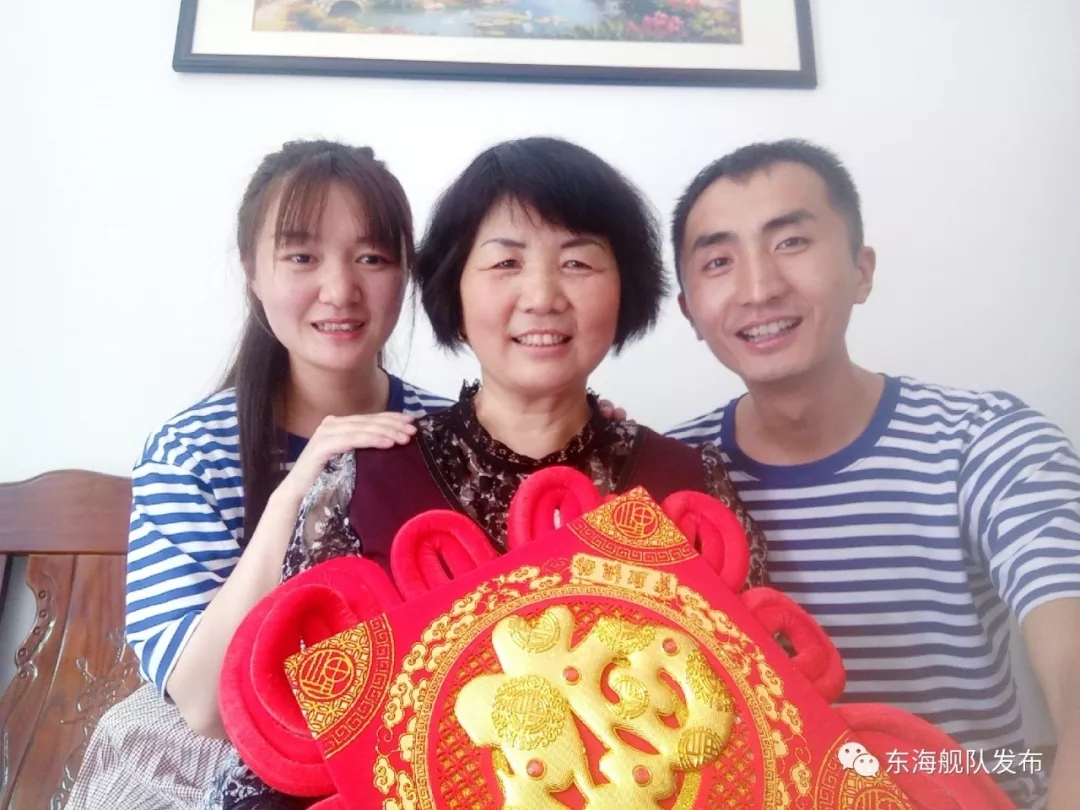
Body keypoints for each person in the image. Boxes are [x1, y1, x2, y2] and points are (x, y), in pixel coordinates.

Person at [213, 136, 770, 808]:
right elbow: (293, 748)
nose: (542, 295)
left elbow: (760, 731)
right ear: (453, 291)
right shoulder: (362, 483)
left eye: (578, 261)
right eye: (506, 262)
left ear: (626, 289)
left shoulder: (687, 483)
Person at [666, 138, 1080, 810]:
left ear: (862, 271)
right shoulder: (673, 479)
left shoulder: (984, 442)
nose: (759, 287)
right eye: (718, 261)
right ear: (690, 311)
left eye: (791, 242)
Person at [68, 140, 453, 810]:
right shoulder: (189, 453)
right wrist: (299, 492)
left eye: (372, 258)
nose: (340, 290)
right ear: (251, 269)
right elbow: (205, 704)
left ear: (405, 273)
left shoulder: (448, 434)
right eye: (302, 257)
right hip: (215, 777)